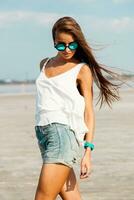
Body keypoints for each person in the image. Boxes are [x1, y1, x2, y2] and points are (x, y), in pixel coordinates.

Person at [34, 16, 120, 200]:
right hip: (44, 135)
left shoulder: (81, 69)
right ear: (54, 42)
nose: (66, 50)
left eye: (72, 45)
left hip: (62, 136)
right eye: (61, 45)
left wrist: (88, 151)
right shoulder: (44, 64)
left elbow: (88, 111)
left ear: (78, 43)